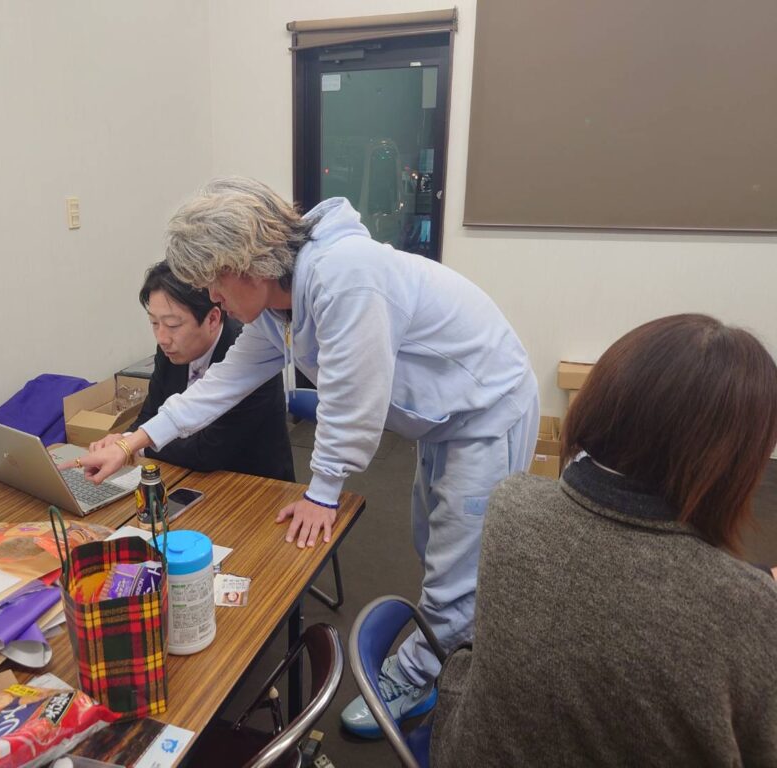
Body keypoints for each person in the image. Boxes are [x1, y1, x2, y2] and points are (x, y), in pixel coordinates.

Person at [65, 177, 539, 735]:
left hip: (487, 409)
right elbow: (222, 384)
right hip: (441, 419)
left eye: (214, 284)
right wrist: (132, 441)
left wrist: (324, 492)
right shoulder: (278, 305)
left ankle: (422, 678)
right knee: (433, 542)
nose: (213, 299)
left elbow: (352, 400)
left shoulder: (347, 276)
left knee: (459, 563)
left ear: (245, 266)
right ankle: (450, 643)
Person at [431, 314, 777, 765]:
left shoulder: (512, 505)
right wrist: (754, 595)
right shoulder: (747, 609)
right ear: (733, 462)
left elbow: (617, 592)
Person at [129, 261, 294, 481]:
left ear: (213, 318)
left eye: (172, 325)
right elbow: (150, 414)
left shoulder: (251, 353)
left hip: (251, 484)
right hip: (186, 475)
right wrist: (123, 440)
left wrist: (138, 445)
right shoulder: (171, 350)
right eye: (154, 323)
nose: (162, 338)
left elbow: (207, 452)